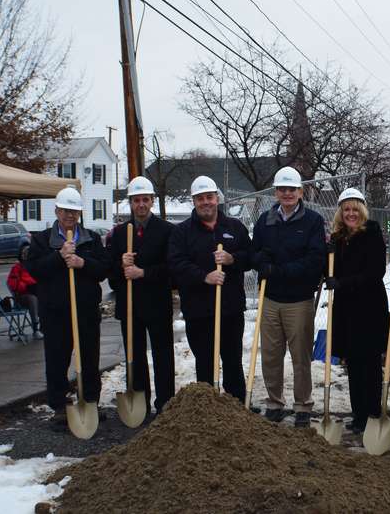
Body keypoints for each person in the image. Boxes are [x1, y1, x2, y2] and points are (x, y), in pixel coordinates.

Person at [25, 186, 111, 429]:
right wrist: (59, 256)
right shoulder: (42, 240)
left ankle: (90, 401)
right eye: (65, 210)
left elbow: (104, 269)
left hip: (86, 310)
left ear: (80, 213)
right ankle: (60, 406)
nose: (69, 215)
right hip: (55, 312)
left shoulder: (91, 239)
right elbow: (34, 270)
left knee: (89, 358)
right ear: (57, 211)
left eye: (74, 211)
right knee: (56, 359)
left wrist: (83, 262)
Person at [251, 166, 326, 428]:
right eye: (282, 189)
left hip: (299, 300)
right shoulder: (265, 220)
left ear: (300, 192)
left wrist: (280, 271)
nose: (287, 193)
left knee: (300, 357)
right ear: (276, 192)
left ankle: (303, 405)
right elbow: (253, 252)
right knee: (271, 355)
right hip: (270, 299)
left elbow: (314, 260)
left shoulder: (312, 221)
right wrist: (261, 260)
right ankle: (274, 403)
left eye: (292, 189)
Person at [168, 176, 251, 402]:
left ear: (217, 198)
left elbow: (250, 256)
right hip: (198, 310)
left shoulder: (235, 227)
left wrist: (232, 258)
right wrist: (204, 276)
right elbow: (176, 264)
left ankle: (236, 405)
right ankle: (206, 408)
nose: (205, 202)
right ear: (194, 201)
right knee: (204, 361)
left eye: (209, 197)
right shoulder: (182, 232)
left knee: (232, 360)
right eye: (200, 198)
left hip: (230, 309)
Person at [109, 176, 175, 415]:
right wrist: (120, 264)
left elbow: (172, 269)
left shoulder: (167, 231)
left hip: (157, 304)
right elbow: (109, 274)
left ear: (152, 201)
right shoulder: (119, 233)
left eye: (145, 199)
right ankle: (140, 402)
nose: (141, 205)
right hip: (130, 307)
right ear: (130, 203)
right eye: (136, 200)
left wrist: (143, 272)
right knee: (134, 356)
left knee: (163, 355)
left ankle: (165, 401)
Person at [326, 188, 388, 434]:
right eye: (346, 209)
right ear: (340, 212)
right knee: (353, 362)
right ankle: (359, 414)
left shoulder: (372, 233)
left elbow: (375, 272)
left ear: (362, 210)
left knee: (369, 362)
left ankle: (372, 412)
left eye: (355, 209)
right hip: (346, 309)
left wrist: (342, 283)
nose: (351, 214)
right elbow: (331, 270)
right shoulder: (339, 238)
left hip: (369, 308)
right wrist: (327, 259)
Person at [6, 245, 44, 340]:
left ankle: (43, 326)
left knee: (45, 297)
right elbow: (13, 285)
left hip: (36, 293)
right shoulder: (17, 267)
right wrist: (27, 285)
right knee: (33, 299)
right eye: (25, 254)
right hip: (21, 297)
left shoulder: (35, 266)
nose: (26, 257)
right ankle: (35, 329)